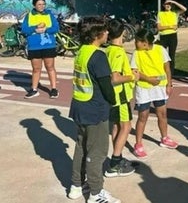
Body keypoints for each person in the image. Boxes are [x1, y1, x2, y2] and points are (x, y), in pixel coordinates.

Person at [67, 16, 120, 203]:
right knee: (97, 152)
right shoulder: (98, 56)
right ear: (97, 34)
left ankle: (76, 185)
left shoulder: (82, 51)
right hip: (95, 109)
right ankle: (96, 193)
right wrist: (114, 101)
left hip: (80, 106)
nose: (107, 33)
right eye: (105, 31)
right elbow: (106, 85)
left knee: (81, 146)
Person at [132, 29, 179, 159]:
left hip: (159, 88)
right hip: (144, 88)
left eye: (137, 41)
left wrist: (169, 84)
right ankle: (138, 144)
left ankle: (164, 138)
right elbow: (135, 72)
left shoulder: (160, 50)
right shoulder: (136, 54)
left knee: (162, 114)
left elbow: (167, 68)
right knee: (143, 116)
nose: (135, 43)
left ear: (145, 43)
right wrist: (148, 79)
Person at [104, 18, 140, 178]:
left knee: (117, 126)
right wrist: (132, 76)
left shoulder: (109, 50)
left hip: (114, 97)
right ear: (123, 32)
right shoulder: (117, 53)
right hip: (121, 96)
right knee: (126, 127)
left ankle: (117, 157)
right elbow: (115, 78)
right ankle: (114, 163)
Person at [21, 0, 60, 99]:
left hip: (48, 45)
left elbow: (56, 28)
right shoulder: (29, 16)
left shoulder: (49, 14)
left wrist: (46, 29)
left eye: (43, 4)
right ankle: (34, 89)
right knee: (36, 68)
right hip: (34, 46)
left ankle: (54, 89)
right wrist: (34, 29)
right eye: (39, 4)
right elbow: (24, 29)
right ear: (34, 5)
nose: (42, 6)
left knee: (50, 67)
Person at [157, 0, 187, 76]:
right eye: (166, 4)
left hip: (172, 36)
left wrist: (173, 1)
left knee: (171, 56)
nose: (168, 6)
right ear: (163, 5)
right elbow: (159, 27)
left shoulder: (174, 13)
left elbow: (184, 9)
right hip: (163, 36)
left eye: (169, 4)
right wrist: (170, 26)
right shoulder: (160, 14)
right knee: (162, 55)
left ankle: (171, 75)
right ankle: (162, 72)